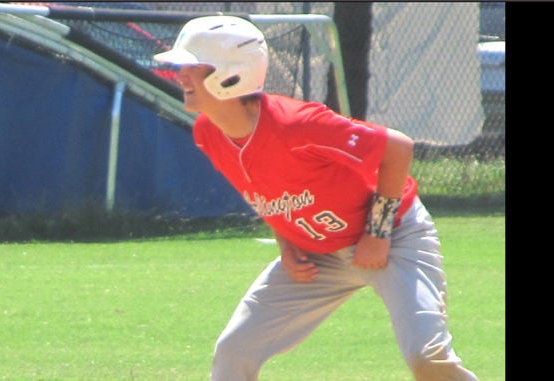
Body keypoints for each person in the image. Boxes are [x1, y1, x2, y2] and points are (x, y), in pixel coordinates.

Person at [154, 15, 479, 381]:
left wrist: (377, 232)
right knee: (235, 350)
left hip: (394, 238)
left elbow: (397, 148)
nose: (180, 75)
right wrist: (285, 241)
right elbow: (265, 188)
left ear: (231, 73)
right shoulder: (208, 133)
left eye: (190, 66)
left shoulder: (298, 125)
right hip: (317, 257)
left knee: (427, 356)